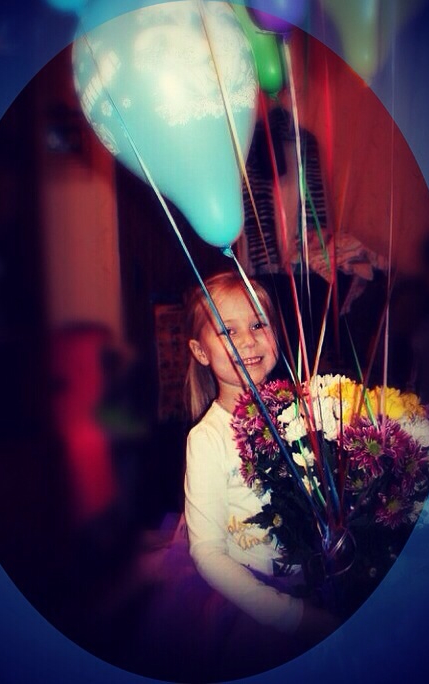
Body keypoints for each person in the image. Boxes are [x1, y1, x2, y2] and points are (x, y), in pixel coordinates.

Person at [182, 271, 339, 671]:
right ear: (201, 351)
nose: (248, 341)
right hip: (258, 608)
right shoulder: (207, 439)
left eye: (257, 324)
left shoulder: (302, 412)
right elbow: (207, 552)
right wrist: (293, 616)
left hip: (320, 581)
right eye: (228, 331)